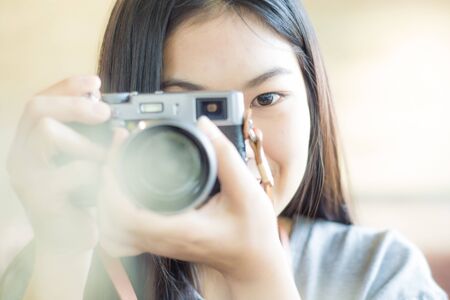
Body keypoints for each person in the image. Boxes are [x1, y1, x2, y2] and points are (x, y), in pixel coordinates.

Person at [1, 0, 447, 299]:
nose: (230, 145)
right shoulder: (63, 268)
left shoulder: (379, 273)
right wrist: (61, 255)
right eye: (188, 111)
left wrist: (259, 276)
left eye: (267, 99)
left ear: (314, 99)